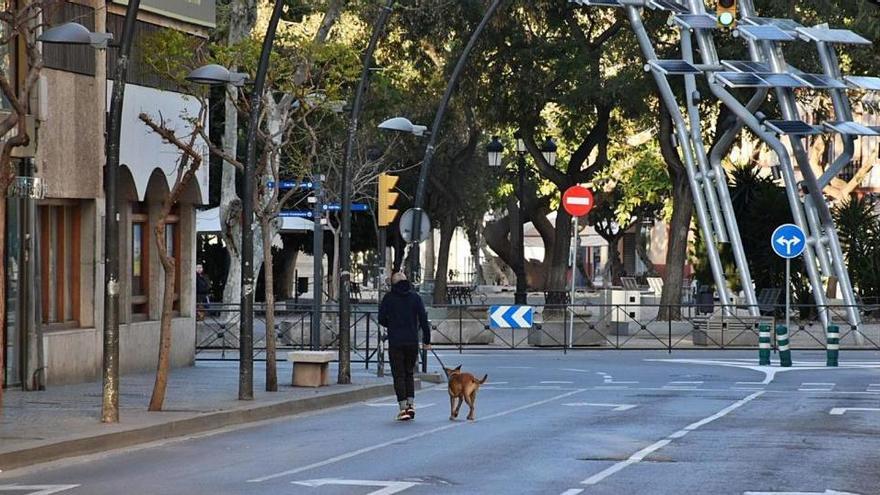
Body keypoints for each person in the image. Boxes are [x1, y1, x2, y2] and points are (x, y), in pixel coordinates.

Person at [378, 272, 431, 421]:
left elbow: (381, 318)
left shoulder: (388, 298)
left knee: (398, 374)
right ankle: (411, 403)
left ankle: (403, 407)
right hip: (411, 341)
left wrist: (392, 325)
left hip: (396, 341)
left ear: (393, 284)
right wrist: (427, 340)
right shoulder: (415, 297)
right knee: (409, 373)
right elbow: (423, 319)